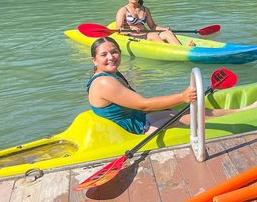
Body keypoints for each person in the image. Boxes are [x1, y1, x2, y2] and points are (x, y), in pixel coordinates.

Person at [87, 37, 248, 133]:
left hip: (138, 119)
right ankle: (244, 113)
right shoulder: (104, 82)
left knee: (194, 111)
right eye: (104, 54)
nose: (111, 57)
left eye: (114, 52)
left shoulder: (110, 74)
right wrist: (182, 97)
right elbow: (143, 105)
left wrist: (167, 107)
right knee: (196, 116)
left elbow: (140, 106)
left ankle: (239, 111)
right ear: (94, 60)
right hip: (137, 130)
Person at [115, 0, 193, 46]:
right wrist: (131, 29)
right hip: (132, 37)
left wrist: (164, 29)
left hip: (144, 35)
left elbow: (152, 26)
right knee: (153, 35)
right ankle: (171, 51)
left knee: (167, 33)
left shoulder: (145, 10)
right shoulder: (123, 10)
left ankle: (181, 49)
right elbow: (119, 30)